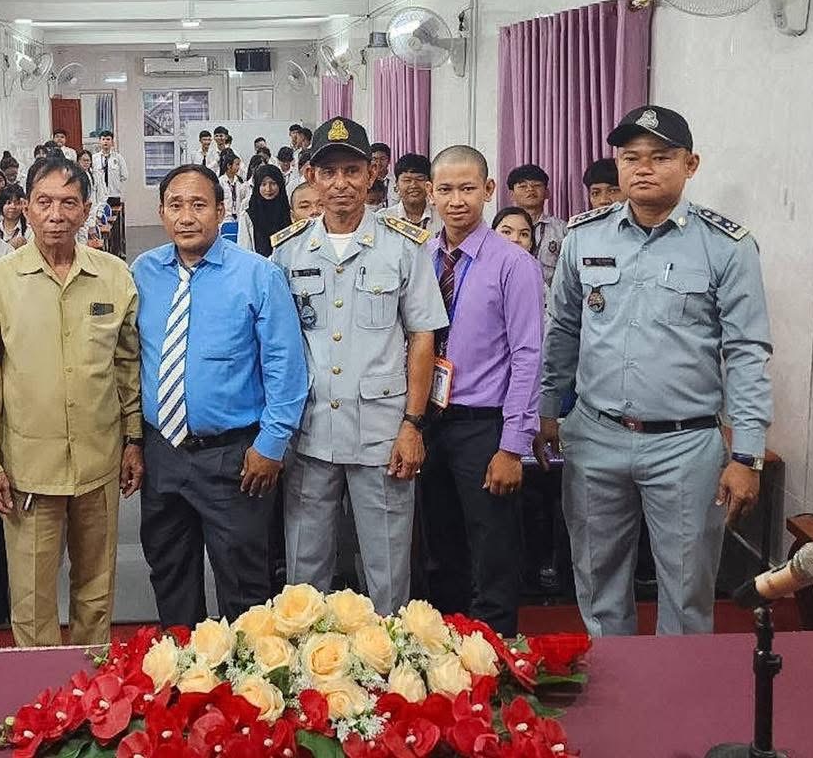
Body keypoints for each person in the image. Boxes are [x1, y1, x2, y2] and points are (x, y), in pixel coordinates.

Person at [535, 106, 773, 637]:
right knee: (597, 582)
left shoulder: (726, 246)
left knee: (687, 593)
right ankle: (615, 682)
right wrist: (549, 409)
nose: (643, 168)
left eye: (660, 157)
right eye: (631, 157)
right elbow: (563, 331)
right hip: (595, 437)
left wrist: (746, 453)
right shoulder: (585, 237)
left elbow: (746, 352)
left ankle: (678, 690)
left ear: (691, 164)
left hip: (685, 446)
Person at [0, 156, 143, 647]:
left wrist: (133, 439)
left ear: (85, 209)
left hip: (99, 462)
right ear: (26, 207)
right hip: (28, 470)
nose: (56, 214)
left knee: (96, 592)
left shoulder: (114, 277)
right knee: (33, 599)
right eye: (44, 202)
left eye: (68, 202)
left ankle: (94, 688)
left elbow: (126, 365)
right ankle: (38, 691)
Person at [270, 117, 447, 614]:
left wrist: (412, 425)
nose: (341, 183)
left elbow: (423, 337)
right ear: (311, 176)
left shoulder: (403, 245)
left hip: (382, 434)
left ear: (372, 174)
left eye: (352, 170)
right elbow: (277, 346)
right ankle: (309, 659)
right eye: (328, 172)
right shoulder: (287, 251)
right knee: (305, 573)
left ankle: (389, 659)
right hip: (309, 430)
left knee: (387, 571)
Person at [132, 164, 308, 625]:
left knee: (244, 586)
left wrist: (271, 445)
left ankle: (245, 672)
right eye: (175, 205)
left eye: (198, 205)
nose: (186, 216)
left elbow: (286, 370)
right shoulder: (142, 273)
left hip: (236, 458)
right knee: (170, 574)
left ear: (221, 210)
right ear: (161, 213)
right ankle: (181, 665)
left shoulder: (258, 275)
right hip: (163, 453)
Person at [416, 146, 544, 636]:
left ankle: (495, 651)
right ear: (430, 193)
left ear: (488, 190)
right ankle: (446, 651)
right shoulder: (421, 257)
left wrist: (512, 445)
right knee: (440, 548)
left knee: (492, 551)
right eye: (445, 189)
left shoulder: (514, 264)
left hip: (484, 426)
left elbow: (528, 356)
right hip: (430, 420)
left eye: (468, 188)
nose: (456, 201)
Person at [507, 164, 565, 285]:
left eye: (537, 185)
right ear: (511, 195)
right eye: (523, 186)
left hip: (550, 295)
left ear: (547, 193)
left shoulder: (562, 229)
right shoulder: (501, 230)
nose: (530, 189)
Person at [239, 165, 292, 257]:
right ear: (257, 187)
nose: (268, 189)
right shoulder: (248, 216)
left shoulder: (290, 213)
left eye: (273, 183)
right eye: (263, 184)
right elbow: (244, 251)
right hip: (258, 264)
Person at [94, 129, 129, 259]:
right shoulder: (94, 158)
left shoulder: (118, 158)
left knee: (116, 227)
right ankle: (105, 253)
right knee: (102, 223)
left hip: (114, 195)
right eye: (103, 139)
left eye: (108, 139)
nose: (105, 142)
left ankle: (118, 251)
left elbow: (124, 175)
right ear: (99, 141)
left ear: (112, 142)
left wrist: (115, 184)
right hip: (100, 197)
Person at [382, 153, 436, 229]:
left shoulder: (443, 216)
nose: (414, 185)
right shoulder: (383, 219)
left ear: (429, 184)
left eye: (420, 179)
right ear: (397, 184)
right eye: (407, 180)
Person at [218, 150, 244, 220]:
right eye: (237, 164)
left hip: (238, 217)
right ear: (229, 166)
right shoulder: (220, 182)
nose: (239, 167)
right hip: (225, 218)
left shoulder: (240, 181)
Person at [369, 141, 396, 206]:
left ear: (389, 160)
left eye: (382, 159)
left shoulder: (396, 181)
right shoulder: (365, 182)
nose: (378, 163)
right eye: (374, 159)